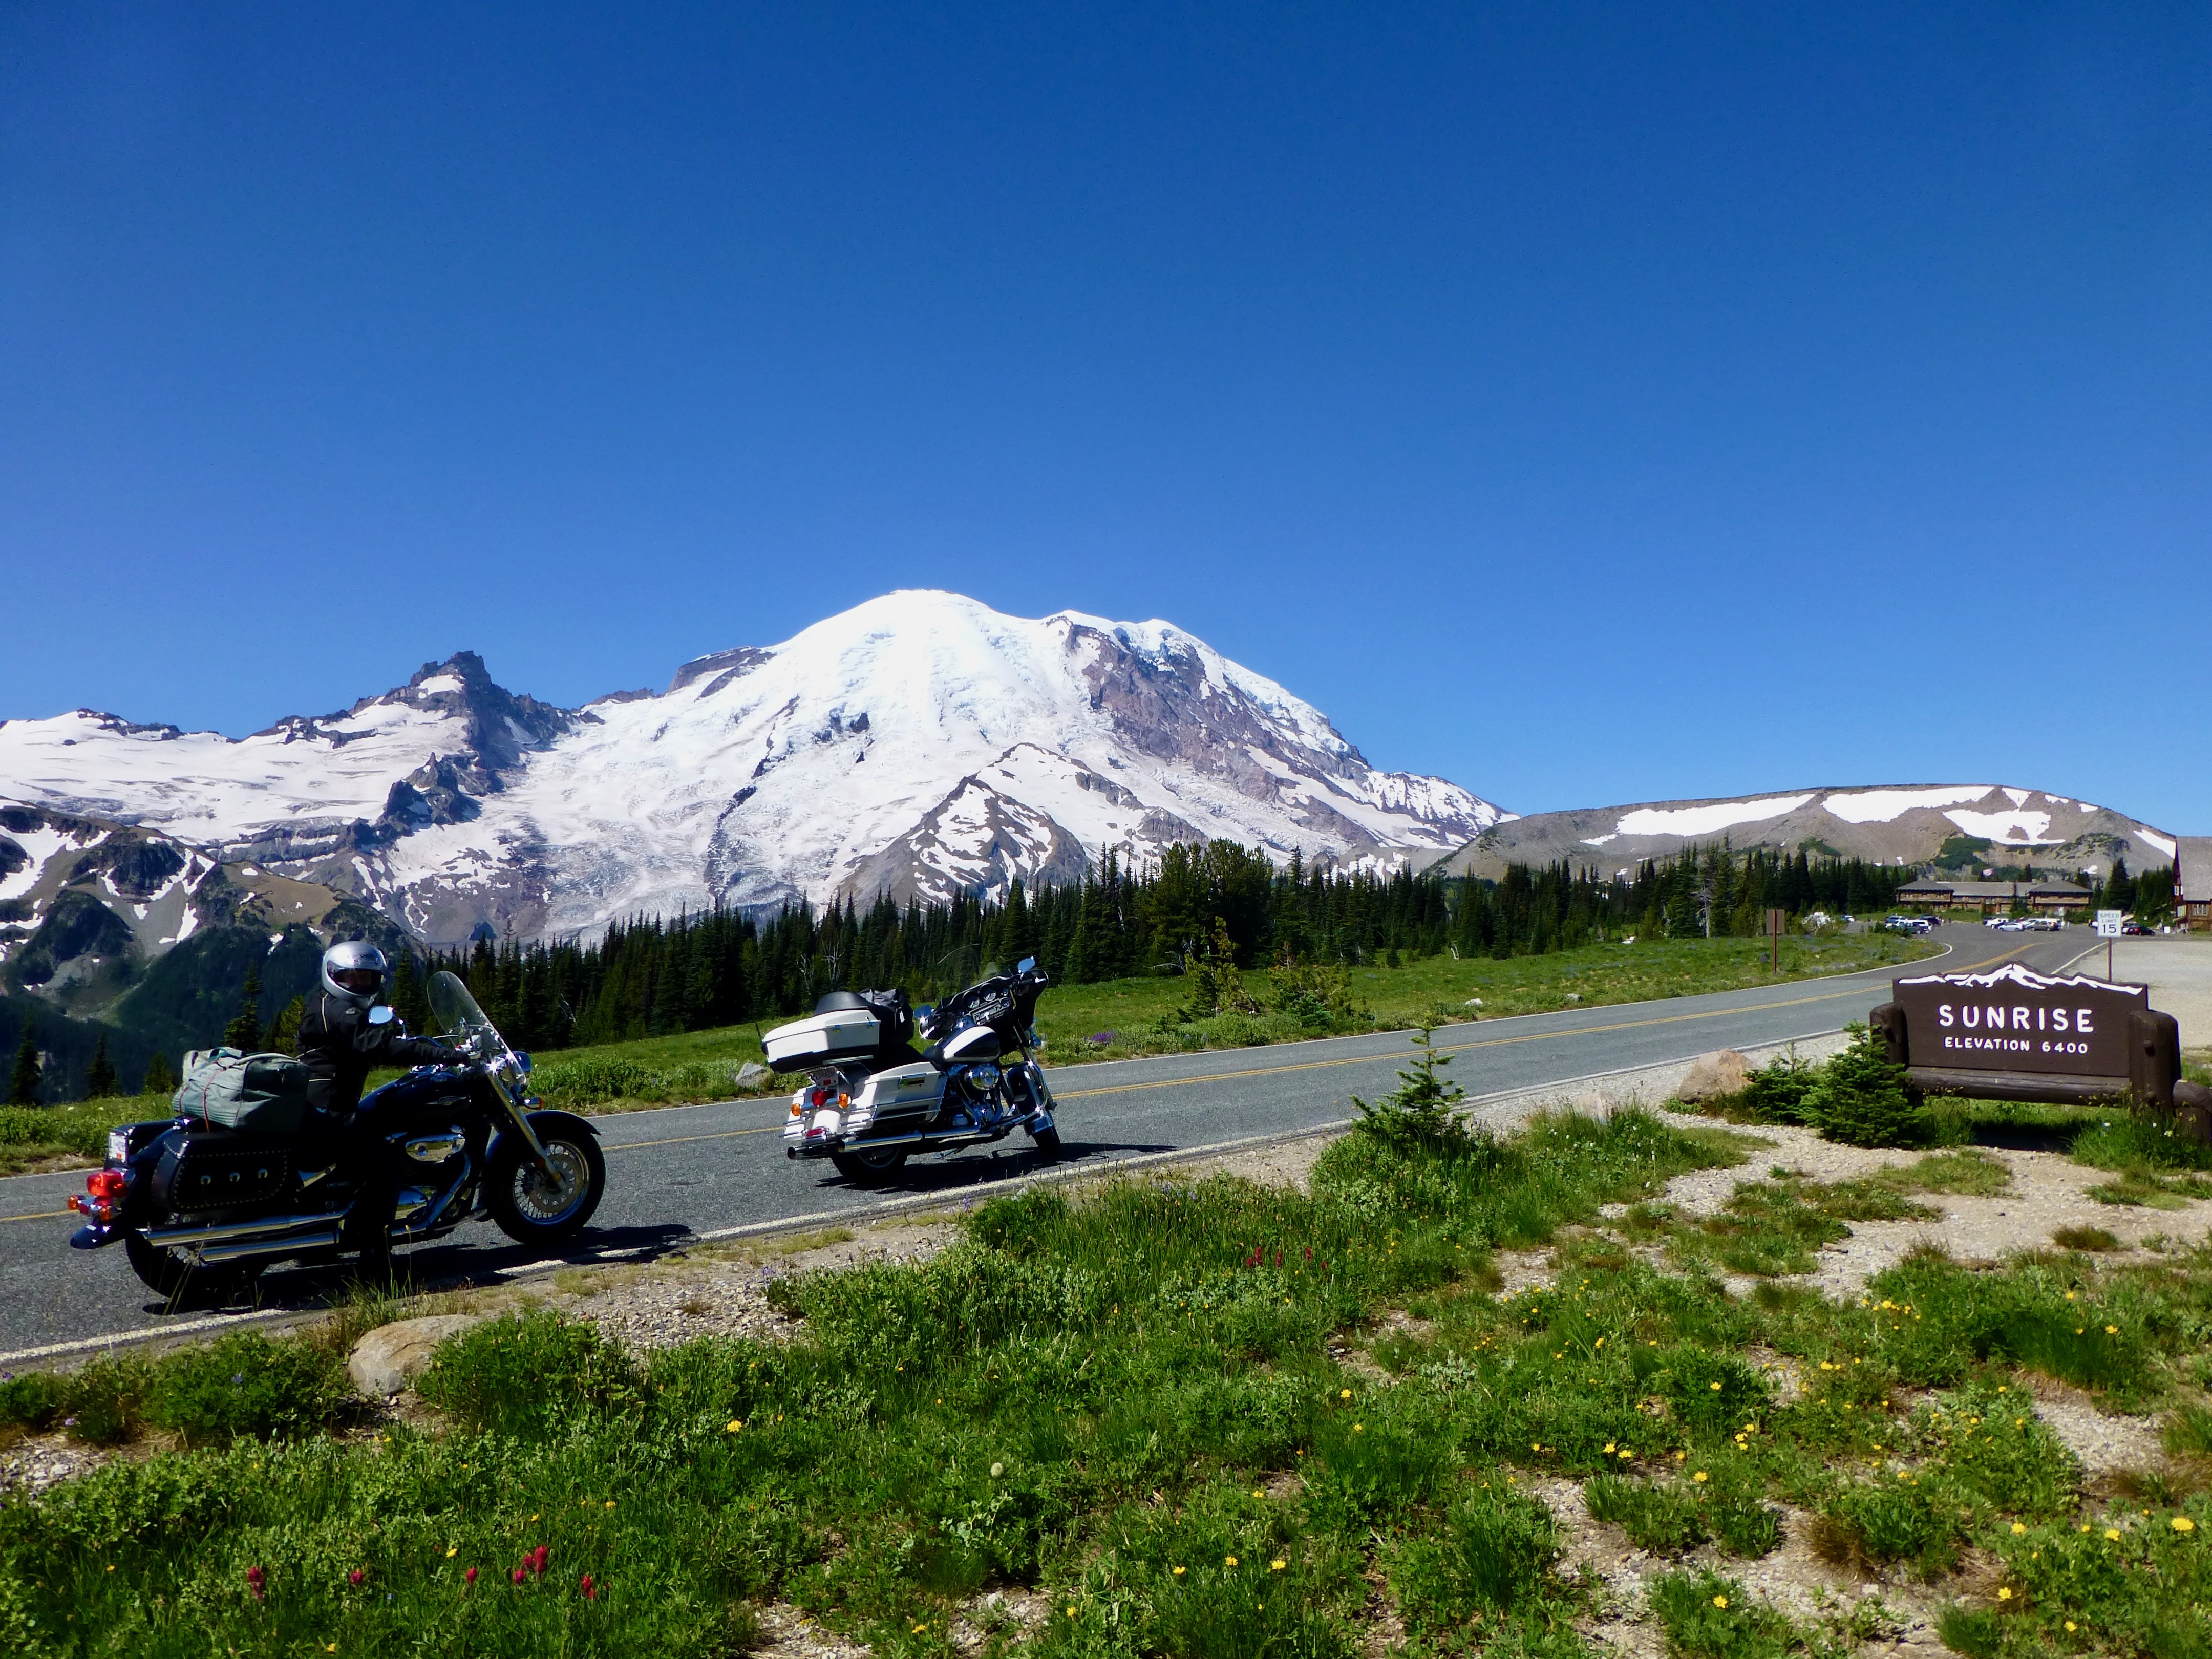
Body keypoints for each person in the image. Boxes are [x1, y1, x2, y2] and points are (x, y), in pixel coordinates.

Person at [295, 941, 464, 1257]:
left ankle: (318, 1245)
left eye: (367, 978)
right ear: (333, 975)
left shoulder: (325, 1004)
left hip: (322, 1108)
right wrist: (443, 1055)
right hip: (330, 1114)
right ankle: (375, 1256)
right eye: (351, 977)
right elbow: (378, 1045)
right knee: (387, 1164)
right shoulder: (340, 1012)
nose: (359, 984)